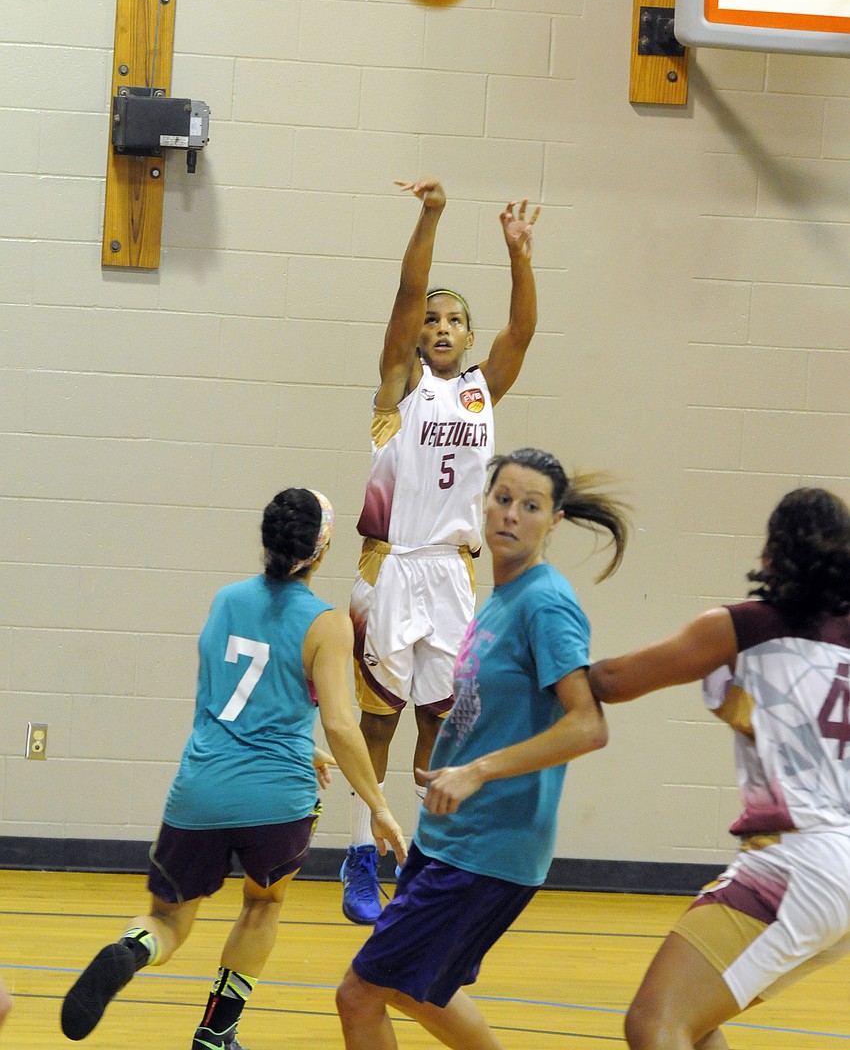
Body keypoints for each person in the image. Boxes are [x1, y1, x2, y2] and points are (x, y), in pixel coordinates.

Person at [61, 488, 406, 1049]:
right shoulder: (328, 623)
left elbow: (226, 700)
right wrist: (379, 806)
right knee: (261, 904)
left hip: (203, 786)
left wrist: (298, 738)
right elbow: (343, 726)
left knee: (168, 920)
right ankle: (217, 1031)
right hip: (276, 796)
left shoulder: (225, 601)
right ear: (321, 551)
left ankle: (131, 949)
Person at [335, 446, 630, 1048]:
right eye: (502, 499)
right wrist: (443, 765)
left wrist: (476, 772)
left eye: (530, 506)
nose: (511, 515)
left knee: (359, 995)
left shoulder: (546, 603)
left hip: (488, 849)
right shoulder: (496, 597)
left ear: (556, 520)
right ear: (483, 504)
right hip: (449, 838)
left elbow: (587, 724)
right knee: (417, 991)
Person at [342, 177, 541, 925]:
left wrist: (519, 255)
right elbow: (406, 291)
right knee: (379, 720)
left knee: (443, 722)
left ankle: (421, 860)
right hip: (390, 563)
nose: (444, 327)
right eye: (435, 320)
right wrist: (432, 215)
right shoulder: (399, 386)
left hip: (453, 573)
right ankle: (361, 851)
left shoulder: (481, 392)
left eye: (457, 320)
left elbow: (520, 333)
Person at [587, 486, 850, 1050]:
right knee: (695, 1019)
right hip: (839, 872)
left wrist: (549, 664)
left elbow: (612, 681)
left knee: (653, 1025)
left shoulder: (743, 627)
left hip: (796, 865)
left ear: (771, 555)